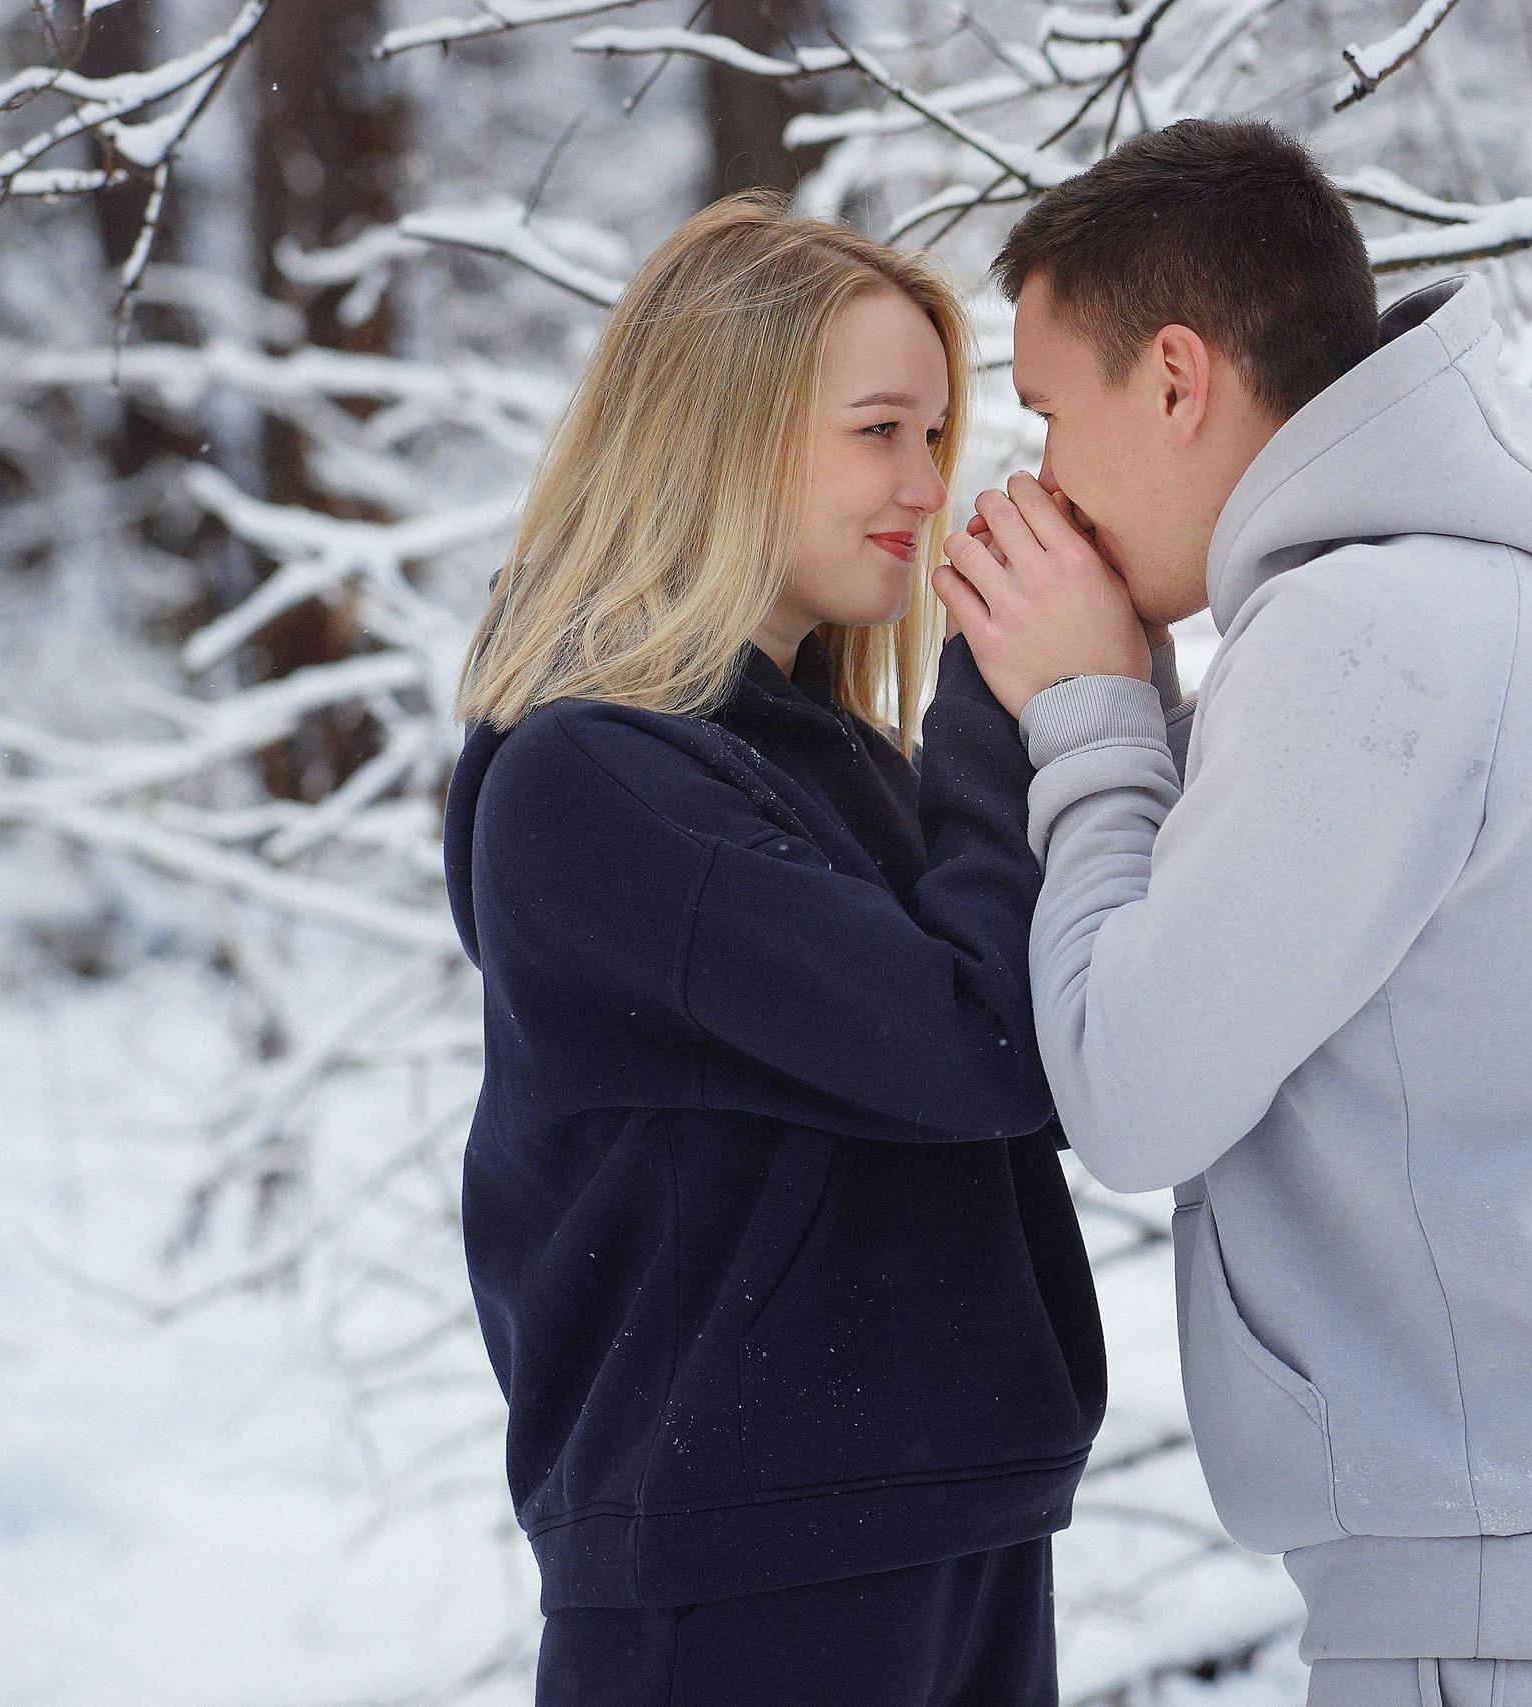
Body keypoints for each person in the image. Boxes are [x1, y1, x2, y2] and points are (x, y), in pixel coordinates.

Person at [936, 122, 1532, 1707]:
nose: (1040, 475)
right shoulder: (1523, 582)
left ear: (1181, 378)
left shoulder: (1362, 629)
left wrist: (1085, 712)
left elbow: (1131, 1089)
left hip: (1518, 1604)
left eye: (1052, 411)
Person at [442, 194, 1118, 1707]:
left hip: (952, 1521)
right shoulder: (593, 784)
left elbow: (1065, 1055)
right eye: (880, 431)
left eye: (938, 436)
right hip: (742, 1576)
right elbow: (978, 1042)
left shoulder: (847, 771)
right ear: (724, 431)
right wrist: (1008, 702)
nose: (927, 484)